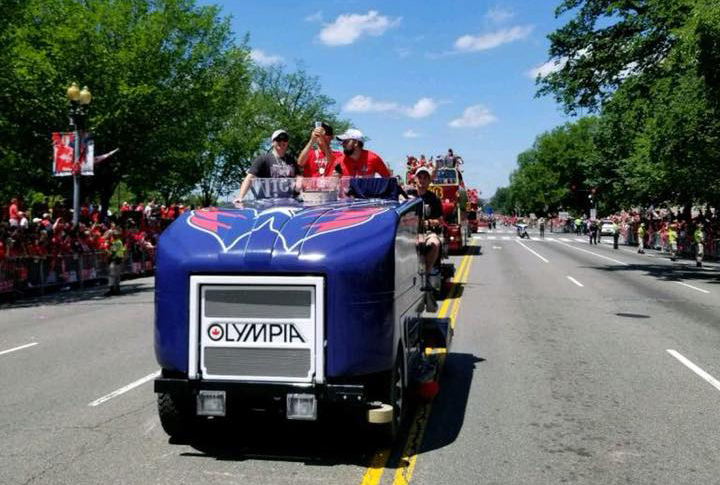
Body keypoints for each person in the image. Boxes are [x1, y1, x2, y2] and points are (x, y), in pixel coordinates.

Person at [235, 129, 300, 203]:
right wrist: (240, 197)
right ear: (272, 142)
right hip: (266, 203)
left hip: (288, 202)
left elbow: (298, 176)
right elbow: (249, 178)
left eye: (285, 139)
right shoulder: (263, 159)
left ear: (287, 142)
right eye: (278, 139)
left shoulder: (291, 159)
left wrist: (299, 182)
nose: (282, 142)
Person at [414, 166, 443, 312]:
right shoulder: (407, 196)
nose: (423, 180)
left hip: (427, 232)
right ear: (415, 179)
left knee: (435, 243)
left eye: (426, 177)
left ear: (429, 181)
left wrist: (428, 223)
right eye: (420, 177)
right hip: (407, 232)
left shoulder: (434, 198)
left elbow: (440, 221)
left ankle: (426, 275)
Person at [105, 230, 125, 296]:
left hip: (115, 260)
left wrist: (106, 250)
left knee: (112, 275)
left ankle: (112, 290)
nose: (113, 236)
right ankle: (117, 289)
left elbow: (113, 251)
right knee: (117, 275)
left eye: (114, 235)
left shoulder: (117, 242)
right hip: (118, 260)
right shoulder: (118, 242)